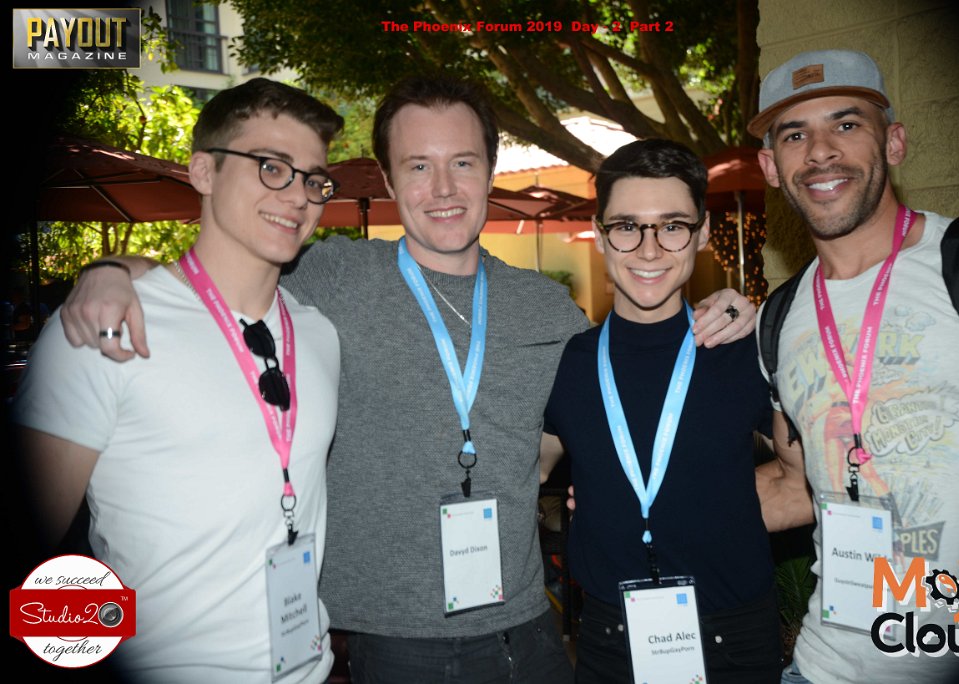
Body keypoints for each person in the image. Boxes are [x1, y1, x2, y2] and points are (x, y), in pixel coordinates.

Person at [59, 75, 756, 682]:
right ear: (390, 182)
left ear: (490, 171)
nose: (443, 189)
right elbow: (215, 275)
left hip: (533, 627)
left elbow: (616, 399)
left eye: (463, 163)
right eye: (418, 166)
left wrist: (726, 308)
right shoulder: (329, 277)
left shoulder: (549, 309)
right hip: (397, 643)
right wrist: (113, 270)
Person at [12, 78, 344, 682]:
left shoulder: (319, 334)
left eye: (314, 180)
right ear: (203, 171)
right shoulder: (104, 327)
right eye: (272, 167)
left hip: (309, 668)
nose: (298, 196)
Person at [749, 50, 959, 683]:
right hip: (824, 666)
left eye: (846, 125)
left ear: (893, 142)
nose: (820, 152)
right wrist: (633, 507)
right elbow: (794, 485)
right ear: (771, 167)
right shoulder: (778, 320)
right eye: (795, 135)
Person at [542, 139, 786, 683]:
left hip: (734, 639)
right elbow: (525, 470)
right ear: (600, 233)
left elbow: (815, 479)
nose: (649, 250)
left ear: (702, 232)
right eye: (627, 226)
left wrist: (710, 507)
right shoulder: (569, 363)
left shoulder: (744, 351)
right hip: (607, 639)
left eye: (672, 226)